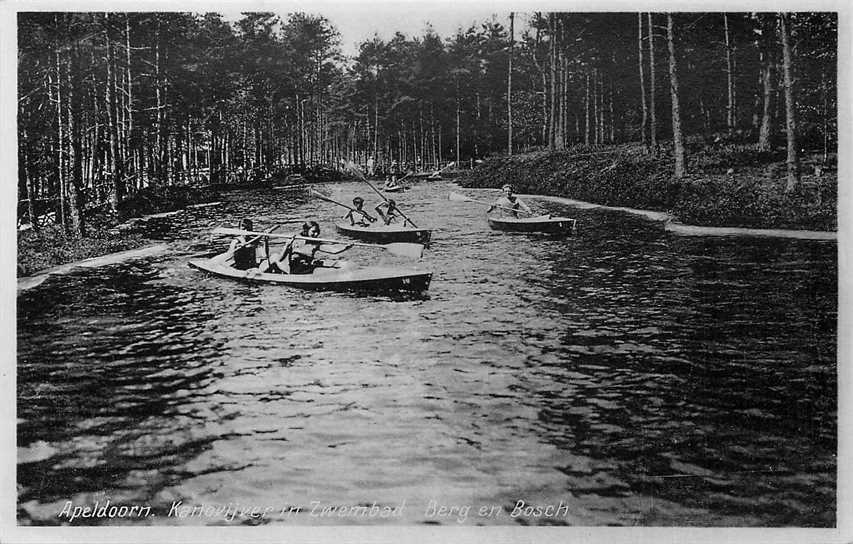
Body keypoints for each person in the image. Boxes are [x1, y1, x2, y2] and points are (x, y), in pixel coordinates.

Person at [262, 221, 351, 274]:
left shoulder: (315, 243)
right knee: (274, 257)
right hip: (292, 270)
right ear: (306, 230)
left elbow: (333, 251)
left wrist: (346, 247)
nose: (316, 234)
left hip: (305, 268)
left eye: (317, 232)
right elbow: (281, 259)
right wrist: (287, 245)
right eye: (313, 232)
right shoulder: (296, 240)